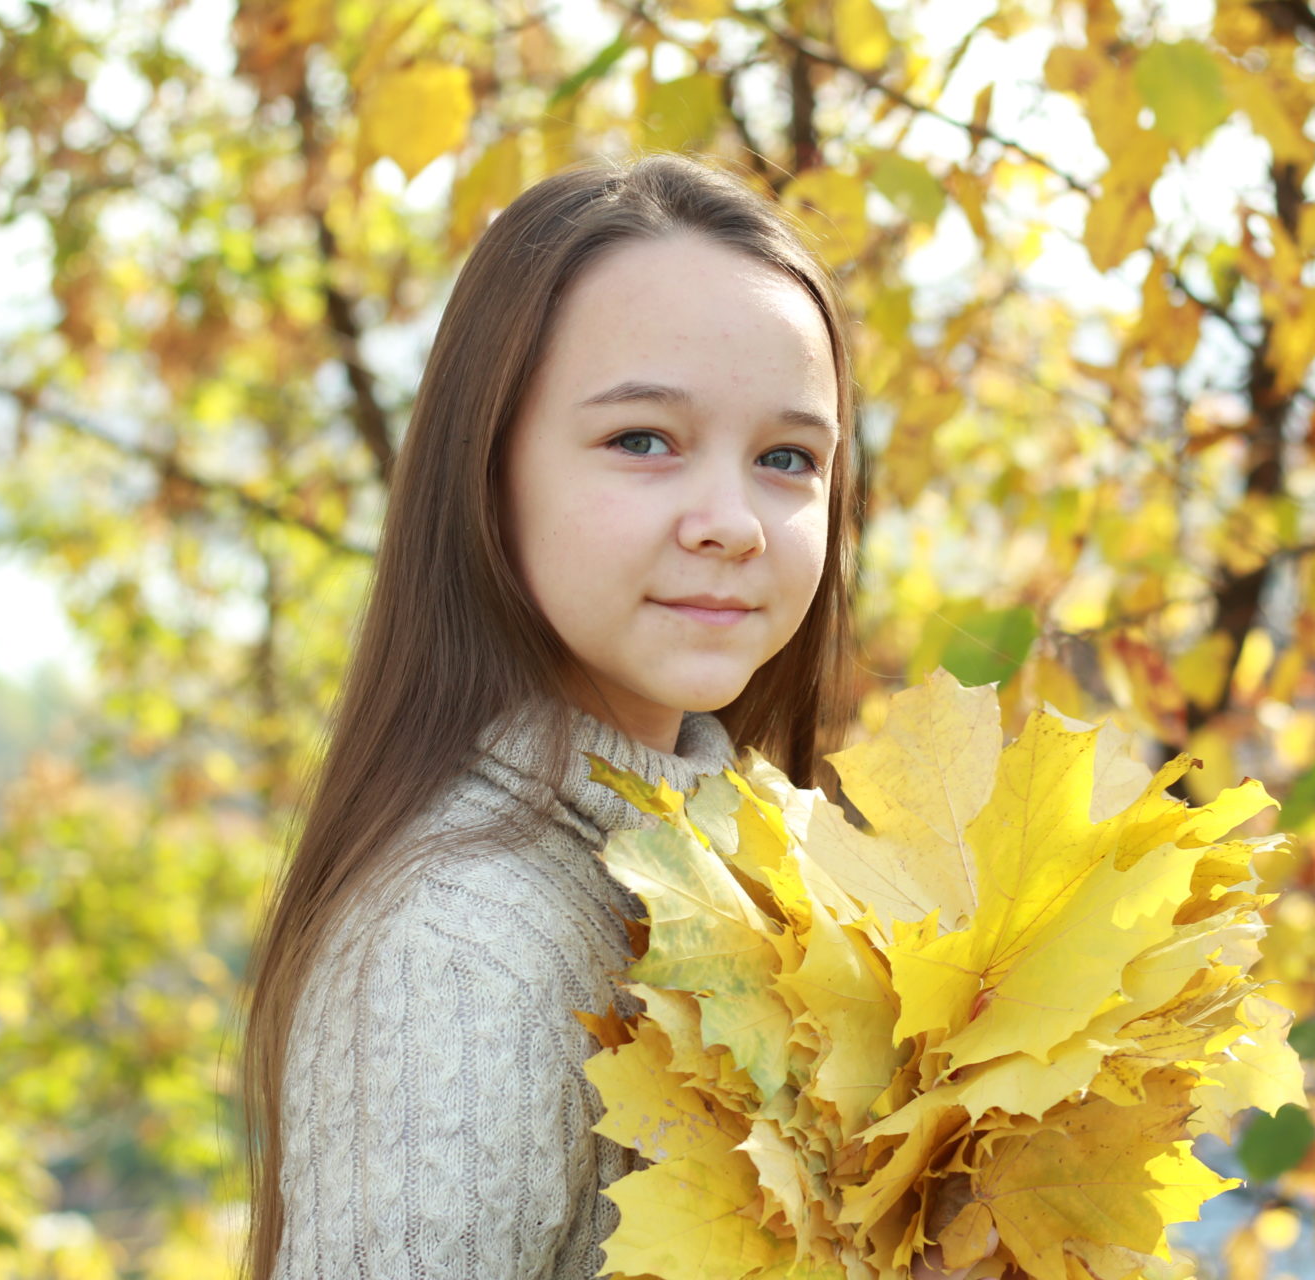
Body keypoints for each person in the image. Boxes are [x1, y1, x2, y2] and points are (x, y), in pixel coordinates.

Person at [238, 150, 896, 1279]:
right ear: (486, 471)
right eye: (643, 439)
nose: (733, 520)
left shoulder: (751, 884)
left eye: (788, 458)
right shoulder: (460, 944)